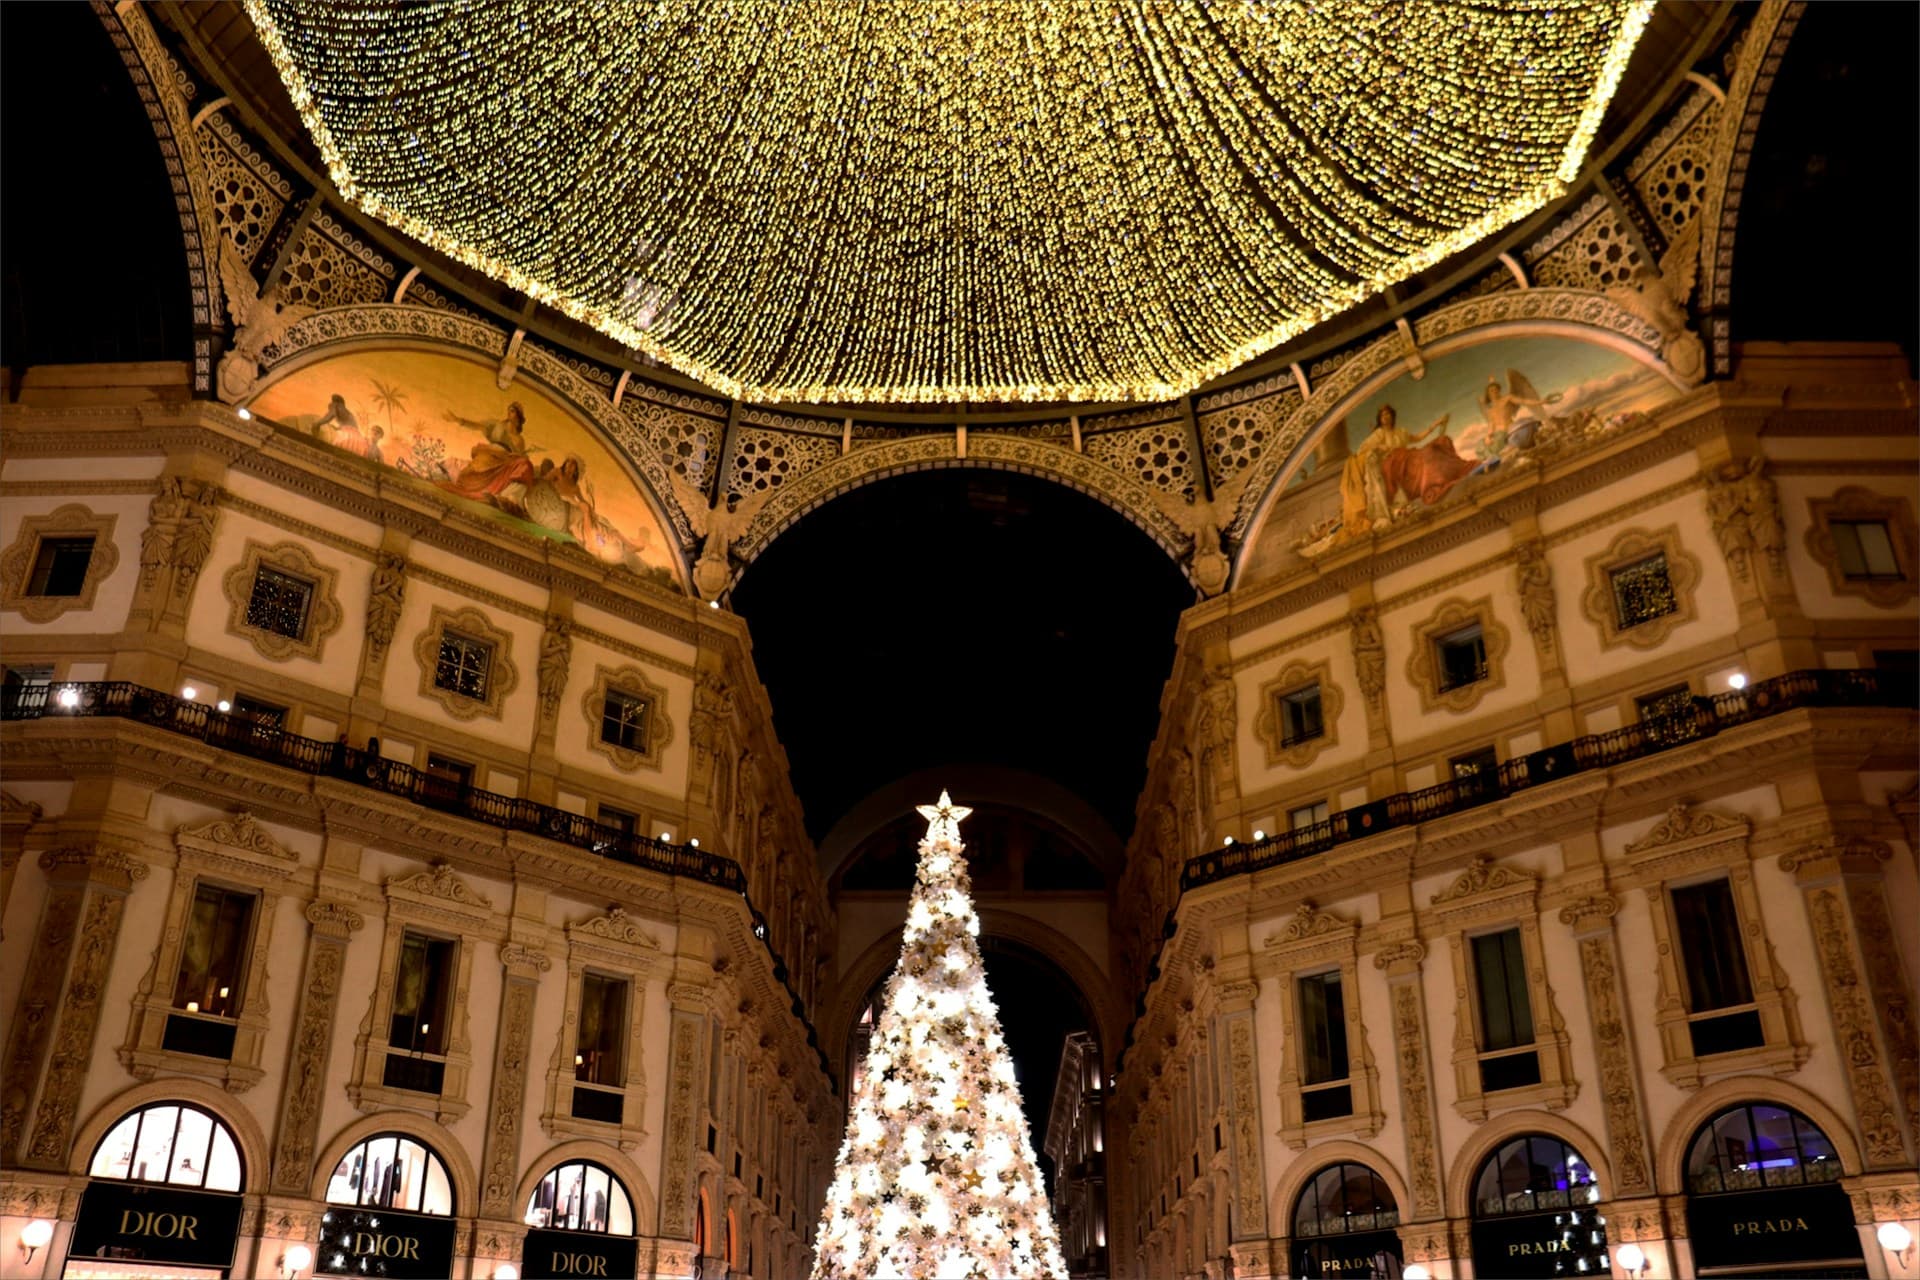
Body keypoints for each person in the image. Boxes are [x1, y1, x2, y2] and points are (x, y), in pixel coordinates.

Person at [1337, 405, 1447, 536]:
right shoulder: (1379, 434)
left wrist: (1435, 425)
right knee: (1397, 465)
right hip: (1390, 462)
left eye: (1388, 414)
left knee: (1423, 456)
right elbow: (1362, 448)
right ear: (1380, 419)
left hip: (1405, 457)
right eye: (1383, 415)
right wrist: (1379, 446)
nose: (1385, 417)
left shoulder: (1401, 432)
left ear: (1392, 416)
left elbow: (1417, 438)